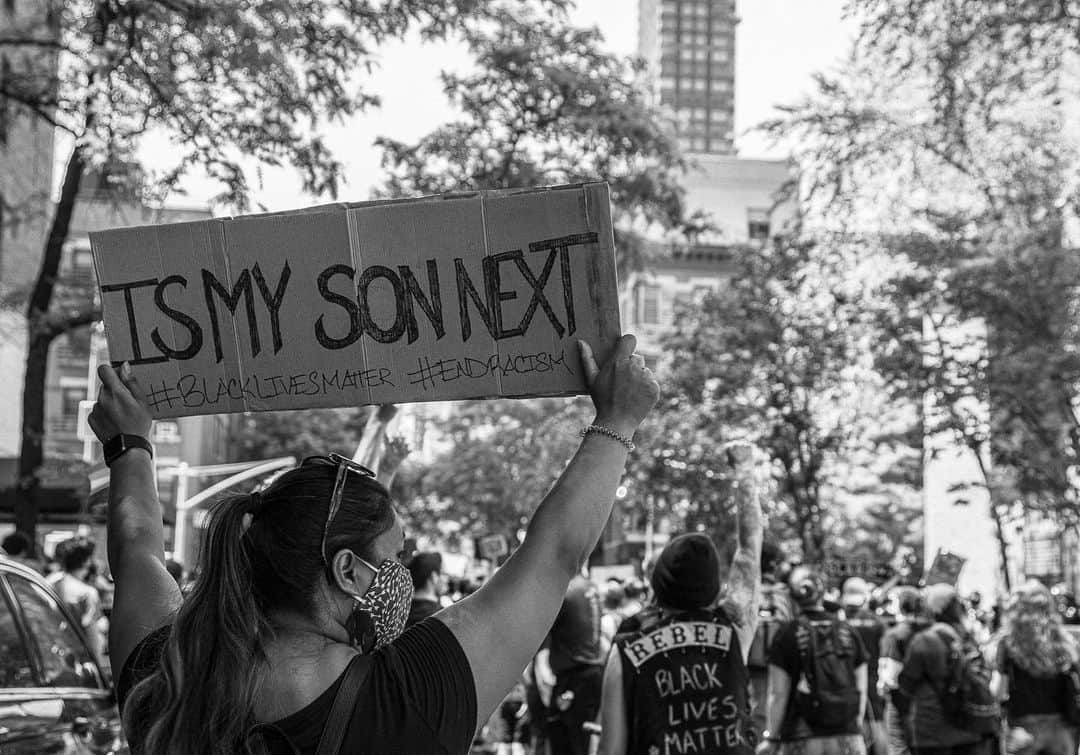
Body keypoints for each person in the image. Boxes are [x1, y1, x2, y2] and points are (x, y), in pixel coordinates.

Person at [87, 335, 659, 754]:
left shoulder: (168, 679)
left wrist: (132, 441)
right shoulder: (413, 696)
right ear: (347, 571)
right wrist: (618, 419)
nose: (401, 574)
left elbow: (137, 554)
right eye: (396, 555)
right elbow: (555, 553)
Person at [598, 441, 763, 755]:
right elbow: (749, 552)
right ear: (714, 589)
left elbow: (610, 750)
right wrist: (744, 469)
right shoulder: (735, 632)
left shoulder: (627, 652)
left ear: (657, 589)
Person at [757, 565, 868, 755]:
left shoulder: (786, 635)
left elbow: (778, 694)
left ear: (791, 596)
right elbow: (861, 689)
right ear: (822, 592)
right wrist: (853, 728)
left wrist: (771, 737)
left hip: (801, 737)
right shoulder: (848, 632)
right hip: (847, 737)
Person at [894, 584, 998, 755]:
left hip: (933, 733)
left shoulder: (923, 641)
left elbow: (905, 686)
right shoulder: (970, 638)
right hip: (971, 725)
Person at [991, 580, 1078, 755]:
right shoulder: (1064, 641)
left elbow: (998, 691)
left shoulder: (1008, 643)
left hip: (1022, 730)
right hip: (1061, 730)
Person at [534, 574, 606, 755]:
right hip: (589, 674)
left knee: (566, 743)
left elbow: (538, 633)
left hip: (574, 678)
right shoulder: (589, 587)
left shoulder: (564, 590)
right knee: (581, 741)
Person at [747, 540, 794, 738]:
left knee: (754, 712)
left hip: (751, 667)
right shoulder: (787, 595)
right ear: (774, 565)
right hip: (781, 667)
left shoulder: (746, 593)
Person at [878, 586, 925, 755]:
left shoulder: (895, 635)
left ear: (901, 605)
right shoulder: (927, 631)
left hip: (900, 703)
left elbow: (891, 676)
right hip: (923, 702)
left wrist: (881, 686)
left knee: (899, 747)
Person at [841, 578, 886, 755]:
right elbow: (884, 654)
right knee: (878, 725)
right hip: (872, 680)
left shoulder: (839, 623)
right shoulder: (878, 623)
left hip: (846, 683)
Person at [48, 536, 106, 665]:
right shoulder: (87, 593)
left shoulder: (47, 583)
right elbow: (93, 640)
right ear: (87, 561)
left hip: (50, 658)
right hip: (77, 663)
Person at [405, 551, 444, 628]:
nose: (444, 579)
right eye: (441, 574)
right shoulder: (442, 615)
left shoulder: (401, 610)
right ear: (434, 577)